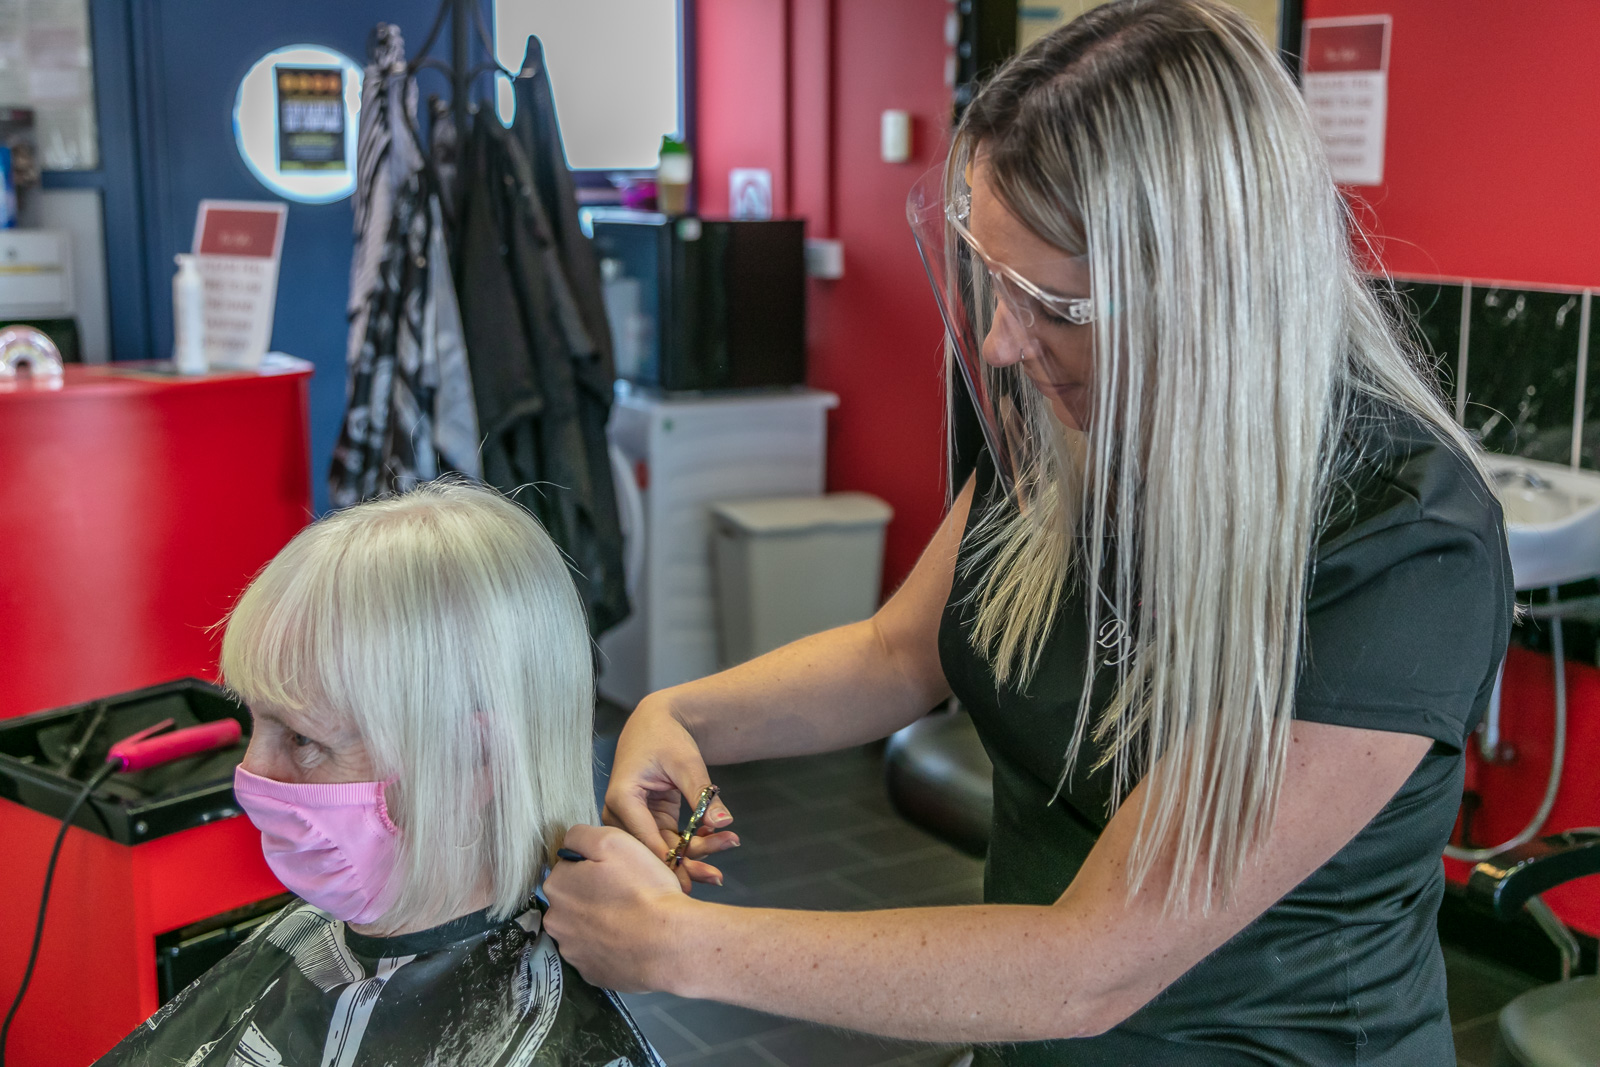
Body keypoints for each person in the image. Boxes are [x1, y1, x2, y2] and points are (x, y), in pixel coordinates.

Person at [541, 2, 1513, 1064]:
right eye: (992, 283)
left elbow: (1089, 963)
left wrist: (680, 945)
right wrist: (681, 712)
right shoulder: (1066, 428)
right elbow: (897, 652)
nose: (1003, 342)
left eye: (1051, 304)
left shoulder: (1399, 541)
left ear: (1208, 292)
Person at [97, 482, 661, 1067]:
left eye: (302, 738)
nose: (252, 772)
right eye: (253, 721)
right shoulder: (318, 940)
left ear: (477, 759)